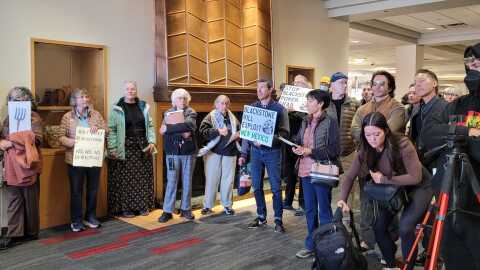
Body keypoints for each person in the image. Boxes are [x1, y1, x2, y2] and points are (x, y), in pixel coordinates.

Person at [337, 112, 432, 270]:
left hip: (418, 186)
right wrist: (342, 199)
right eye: (368, 134)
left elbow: (415, 177)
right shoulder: (365, 148)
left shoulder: (402, 144)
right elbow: (349, 176)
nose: (372, 139)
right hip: (393, 189)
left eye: (377, 134)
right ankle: (391, 265)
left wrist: (384, 180)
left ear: (386, 131)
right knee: (379, 227)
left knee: (406, 227)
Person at [422, 42, 480, 270]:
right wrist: (468, 132)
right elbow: (429, 133)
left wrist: (456, 138)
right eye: (469, 62)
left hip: (476, 202)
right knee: (453, 253)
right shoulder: (458, 104)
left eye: (477, 60)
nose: (472, 65)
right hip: (452, 197)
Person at [292, 90, 340, 259]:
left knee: (324, 210)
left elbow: (334, 150)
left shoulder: (331, 122)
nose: (307, 103)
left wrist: (310, 151)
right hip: (305, 170)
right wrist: (296, 146)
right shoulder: (306, 120)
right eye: (307, 100)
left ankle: (326, 247)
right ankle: (311, 244)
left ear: (320, 104)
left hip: (321, 170)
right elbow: (299, 139)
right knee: (310, 210)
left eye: (310, 100)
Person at [238, 78, 290, 233]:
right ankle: (261, 217)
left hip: (272, 152)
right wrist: (243, 153)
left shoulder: (280, 109)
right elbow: (246, 133)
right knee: (257, 186)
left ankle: (278, 220)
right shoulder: (252, 108)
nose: (258, 91)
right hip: (255, 153)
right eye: (257, 88)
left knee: (275, 187)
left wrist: (267, 140)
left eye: (262, 88)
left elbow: (285, 133)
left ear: (270, 89)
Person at [0, 87, 42, 249]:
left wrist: (10, 141)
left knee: (30, 201)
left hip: (28, 165)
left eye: (21, 99)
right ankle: (14, 233)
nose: (17, 102)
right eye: (14, 99)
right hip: (11, 166)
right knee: (13, 200)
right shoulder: (7, 119)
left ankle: (31, 232)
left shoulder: (34, 117)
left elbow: (36, 139)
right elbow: (2, 140)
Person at [59, 88, 106, 232]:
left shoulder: (96, 114)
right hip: (75, 159)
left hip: (93, 158)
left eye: (87, 96)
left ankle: (90, 216)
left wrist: (97, 128)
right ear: (75, 100)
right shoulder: (68, 117)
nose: (85, 99)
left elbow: (106, 131)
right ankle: (76, 220)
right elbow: (60, 137)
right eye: (82, 97)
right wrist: (71, 142)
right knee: (76, 191)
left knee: (92, 189)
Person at [107, 81, 156, 218]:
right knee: (126, 180)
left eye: (133, 89)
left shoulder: (143, 106)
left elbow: (150, 126)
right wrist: (112, 148)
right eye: (128, 89)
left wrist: (152, 141)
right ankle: (126, 209)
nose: (130, 91)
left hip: (143, 147)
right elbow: (111, 131)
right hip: (125, 147)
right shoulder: (117, 108)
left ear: (136, 90)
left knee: (142, 179)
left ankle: (142, 206)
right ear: (124, 91)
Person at [158, 88, 197, 223]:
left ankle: (186, 209)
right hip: (172, 153)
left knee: (187, 181)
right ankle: (167, 211)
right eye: (179, 98)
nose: (182, 101)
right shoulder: (168, 112)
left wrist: (170, 129)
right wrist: (182, 131)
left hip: (188, 152)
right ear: (174, 100)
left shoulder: (191, 112)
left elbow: (189, 125)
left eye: (185, 98)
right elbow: (162, 131)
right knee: (171, 181)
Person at [199, 95, 240, 216]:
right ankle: (207, 205)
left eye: (227, 103)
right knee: (211, 179)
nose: (224, 106)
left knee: (228, 180)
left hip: (230, 151)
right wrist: (218, 131)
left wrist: (238, 134)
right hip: (214, 152)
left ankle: (227, 205)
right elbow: (203, 132)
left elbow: (240, 129)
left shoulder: (232, 118)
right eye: (221, 103)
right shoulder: (210, 117)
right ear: (216, 104)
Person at [283, 75, 310, 214]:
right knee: (290, 172)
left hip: (304, 141)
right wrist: (285, 112)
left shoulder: (310, 99)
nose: (297, 84)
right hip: (289, 141)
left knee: (303, 172)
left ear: (307, 85)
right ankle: (287, 201)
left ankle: (303, 204)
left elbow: (310, 117)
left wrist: (294, 111)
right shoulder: (287, 99)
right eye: (295, 82)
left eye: (300, 82)